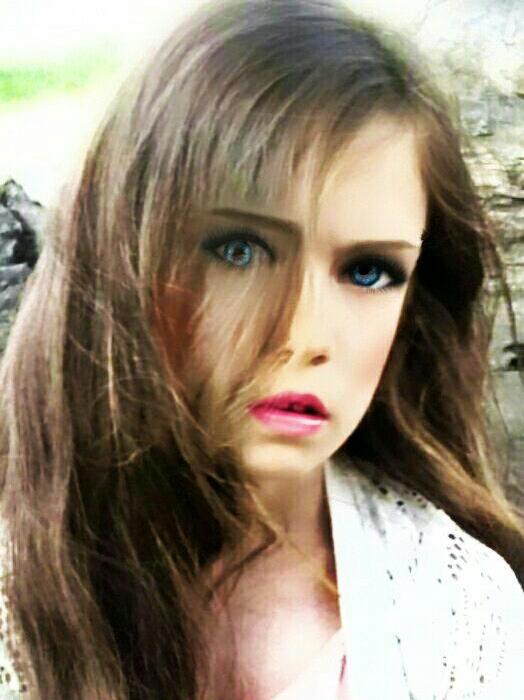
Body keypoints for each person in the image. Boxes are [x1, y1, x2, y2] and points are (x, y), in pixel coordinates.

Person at [0, 0, 522, 698]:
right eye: (239, 251)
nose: (303, 337)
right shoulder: (19, 598)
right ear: (123, 254)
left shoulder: (460, 615)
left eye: (369, 271)